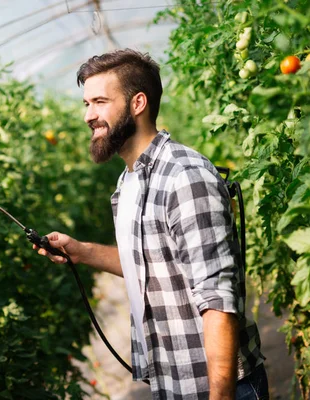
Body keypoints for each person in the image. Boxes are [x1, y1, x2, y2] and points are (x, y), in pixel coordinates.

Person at [34, 49, 267, 400]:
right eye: (86, 103)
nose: (88, 115)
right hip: (172, 382)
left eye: (99, 101)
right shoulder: (128, 182)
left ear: (138, 103)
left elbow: (217, 299)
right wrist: (82, 252)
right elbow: (151, 266)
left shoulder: (184, 177)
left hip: (216, 386)